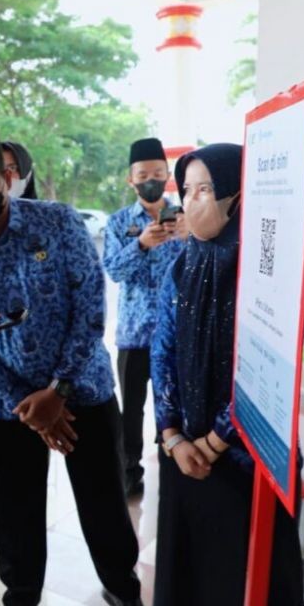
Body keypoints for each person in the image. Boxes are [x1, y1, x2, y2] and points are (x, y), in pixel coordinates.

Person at [0, 129, 144, 606]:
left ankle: (122, 589)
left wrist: (58, 391)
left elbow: (90, 310)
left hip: (83, 393)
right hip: (12, 410)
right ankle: (21, 596)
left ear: (6, 177)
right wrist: (28, 404)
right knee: (15, 517)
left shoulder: (60, 224)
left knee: (104, 504)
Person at [150, 143, 304, 606]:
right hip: (185, 460)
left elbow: (266, 366)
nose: (190, 201)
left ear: (239, 197)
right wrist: (173, 436)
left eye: (205, 189)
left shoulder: (272, 272)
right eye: (187, 189)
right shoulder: (182, 264)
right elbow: (164, 351)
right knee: (191, 579)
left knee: (245, 579)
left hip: (245, 461)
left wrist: (215, 441)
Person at [102, 137, 187, 497]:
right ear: (130, 180)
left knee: (174, 405)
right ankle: (128, 473)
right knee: (131, 410)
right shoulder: (119, 222)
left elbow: (202, 267)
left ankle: (173, 469)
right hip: (134, 334)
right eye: (142, 174)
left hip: (176, 333)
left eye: (156, 173)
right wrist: (141, 245)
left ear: (167, 176)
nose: (150, 179)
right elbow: (113, 270)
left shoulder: (187, 217)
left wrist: (190, 236)